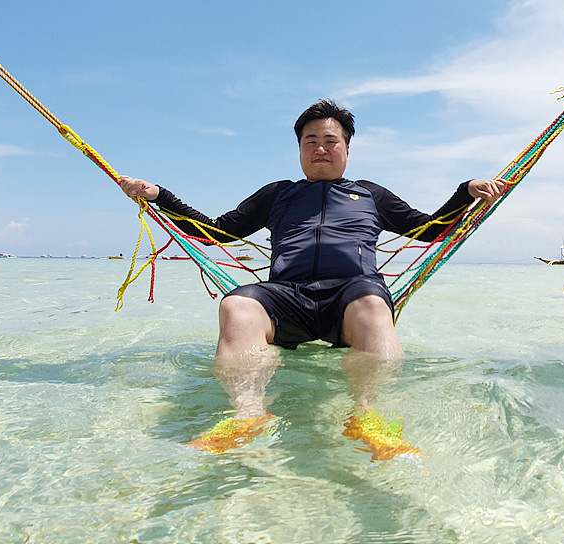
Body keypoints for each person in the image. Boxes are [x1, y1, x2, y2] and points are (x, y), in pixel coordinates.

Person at [118, 99, 506, 458]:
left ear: (347, 149)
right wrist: (159, 195)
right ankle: (248, 415)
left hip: (352, 296)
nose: (321, 148)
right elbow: (215, 232)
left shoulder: (370, 194)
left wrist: (465, 192)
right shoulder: (278, 194)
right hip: (287, 297)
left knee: (374, 305)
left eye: (330, 141)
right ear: (300, 149)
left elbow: (430, 231)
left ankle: (367, 417)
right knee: (236, 305)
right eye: (311, 141)